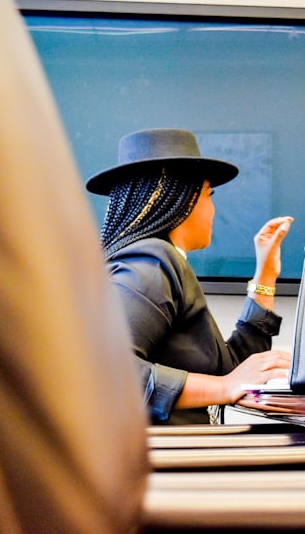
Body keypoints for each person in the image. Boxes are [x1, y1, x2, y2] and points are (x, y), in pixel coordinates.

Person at [86, 128, 294, 425]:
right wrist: (224, 388)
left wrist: (266, 275)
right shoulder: (152, 262)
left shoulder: (159, 261)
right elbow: (106, 371)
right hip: (163, 464)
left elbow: (231, 371)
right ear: (182, 198)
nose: (212, 208)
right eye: (209, 194)